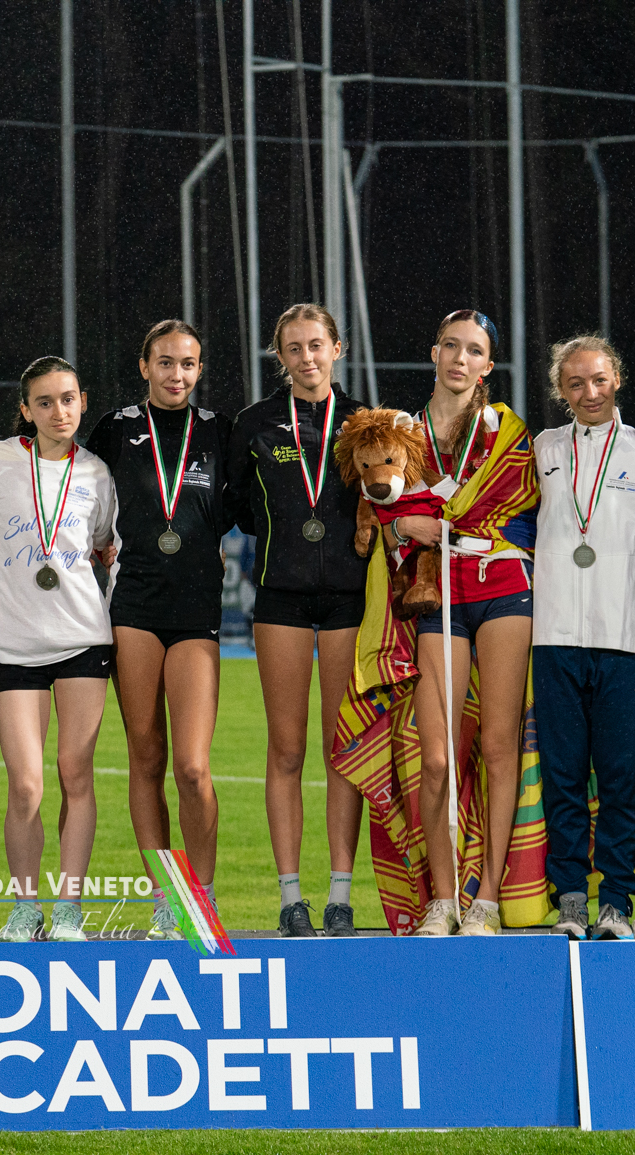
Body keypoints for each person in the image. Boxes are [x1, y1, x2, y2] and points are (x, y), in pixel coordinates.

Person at [396, 309, 540, 937]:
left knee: (500, 748)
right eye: (450, 346)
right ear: (434, 353)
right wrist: (402, 525)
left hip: (504, 583)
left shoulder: (509, 430)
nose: (460, 358)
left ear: (488, 365)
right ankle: (442, 897)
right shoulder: (402, 432)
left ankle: (487, 900)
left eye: (473, 350)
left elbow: (535, 509)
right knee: (436, 758)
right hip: (437, 590)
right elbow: (376, 505)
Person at [227, 303, 369, 937]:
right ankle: (291, 899)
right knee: (286, 749)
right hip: (280, 597)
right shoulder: (255, 423)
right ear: (279, 356)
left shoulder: (365, 421)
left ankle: (340, 896)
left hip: (348, 599)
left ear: (336, 348)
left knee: (344, 748)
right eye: (293, 348)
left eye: (316, 345)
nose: (306, 357)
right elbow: (239, 507)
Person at [86, 320, 229, 938]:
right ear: (144, 366)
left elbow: (245, 507)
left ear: (199, 369)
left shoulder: (220, 431)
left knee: (192, 767)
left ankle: (203, 895)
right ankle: (166, 900)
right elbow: (72, 490)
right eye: (165, 362)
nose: (177, 374)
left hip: (195, 610)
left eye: (188, 364)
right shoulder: (115, 429)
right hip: (135, 606)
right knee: (146, 759)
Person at [0, 357, 118, 943]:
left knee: (75, 774)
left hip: (82, 637)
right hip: (15, 645)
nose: (59, 411)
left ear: (82, 402)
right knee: (27, 785)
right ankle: (24, 907)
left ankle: (68, 910)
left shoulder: (97, 474)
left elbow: (102, 544)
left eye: (68, 399)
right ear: (26, 410)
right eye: (45, 402)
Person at [530, 336, 635, 941]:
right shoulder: (542, 448)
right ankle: (570, 902)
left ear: (617, 380)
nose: (590, 392)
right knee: (561, 778)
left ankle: (615, 902)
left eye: (599, 380)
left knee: (619, 780)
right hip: (554, 636)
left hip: (625, 639)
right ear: (561, 390)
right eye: (576, 383)